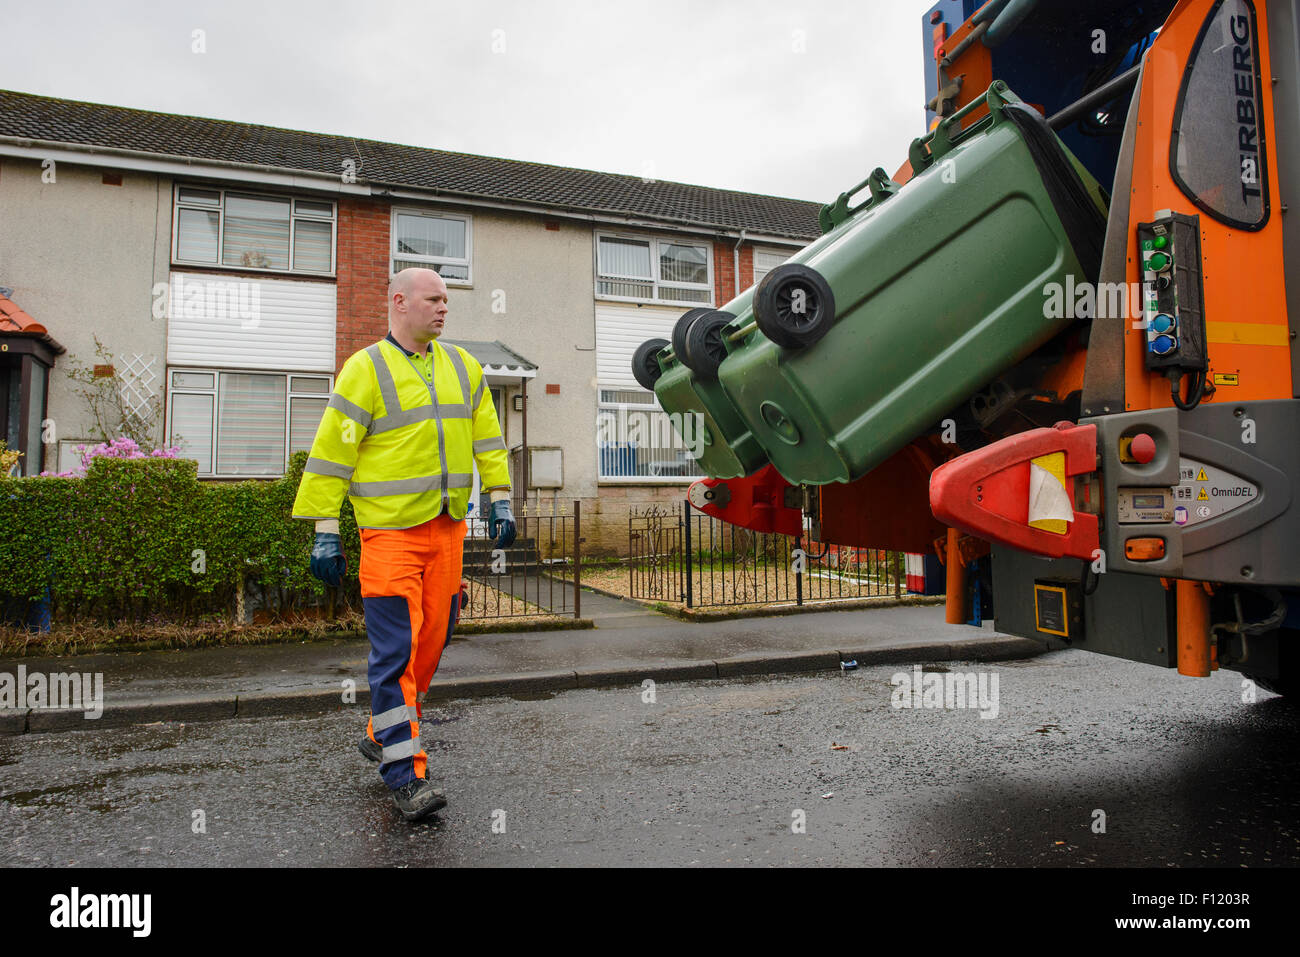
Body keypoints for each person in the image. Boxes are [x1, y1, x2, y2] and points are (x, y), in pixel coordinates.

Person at [292, 267, 517, 822]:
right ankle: (406, 774)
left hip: (446, 532)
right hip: (389, 536)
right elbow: (330, 455)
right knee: (395, 658)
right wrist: (325, 531)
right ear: (399, 302)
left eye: (447, 300)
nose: (444, 308)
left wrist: (501, 495)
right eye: (434, 299)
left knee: (430, 648)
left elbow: (488, 437)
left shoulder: (463, 367)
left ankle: (380, 731)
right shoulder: (364, 369)